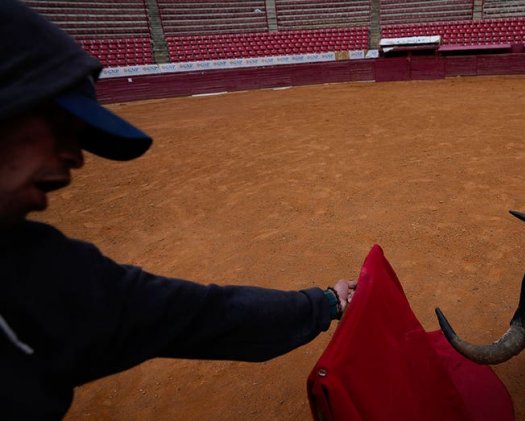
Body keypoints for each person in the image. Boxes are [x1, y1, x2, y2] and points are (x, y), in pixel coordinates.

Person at [0, 1, 356, 418]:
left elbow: (204, 316)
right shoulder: (36, 273)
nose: (75, 159)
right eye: (60, 127)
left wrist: (327, 303)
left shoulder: (39, 273)